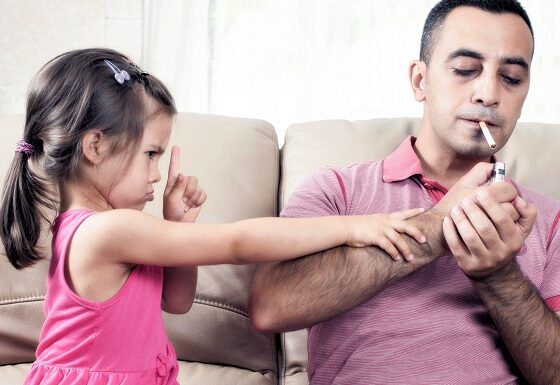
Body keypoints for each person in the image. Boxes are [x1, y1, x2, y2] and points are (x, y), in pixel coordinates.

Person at [0, 48, 428, 385]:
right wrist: (352, 226)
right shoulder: (108, 231)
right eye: (151, 154)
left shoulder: (117, 231)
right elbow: (237, 243)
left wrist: (177, 227)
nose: (156, 173)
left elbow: (177, 301)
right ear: (95, 147)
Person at [249, 1, 560, 384]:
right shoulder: (338, 192)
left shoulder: (549, 221)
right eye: (465, 70)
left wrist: (500, 276)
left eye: (511, 78)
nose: (488, 93)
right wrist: (437, 226)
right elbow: (269, 306)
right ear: (420, 81)